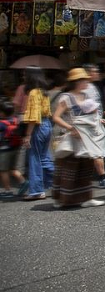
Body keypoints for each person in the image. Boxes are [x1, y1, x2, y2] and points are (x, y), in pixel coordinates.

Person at [50, 68, 105, 208]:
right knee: (68, 169)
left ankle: (87, 198)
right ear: (77, 82)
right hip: (72, 137)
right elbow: (56, 117)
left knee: (86, 168)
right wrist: (70, 128)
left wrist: (98, 120)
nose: (87, 82)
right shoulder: (66, 97)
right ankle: (61, 200)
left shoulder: (86, 96)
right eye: (84, 80)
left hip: (86, 137)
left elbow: (91, 115)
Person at [22, 67, 54, 201]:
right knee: (44, 157)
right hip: (47, 125)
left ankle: (37, 191)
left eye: (25, 74)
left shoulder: (33, 93)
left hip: (38, 126)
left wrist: (28, 135)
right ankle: (59, 182)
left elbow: (34, 116)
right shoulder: (44, 92)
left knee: (34, 158)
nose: (23, 76)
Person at [0, 101, 27, 199]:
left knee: (3, 170)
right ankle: (24, 182)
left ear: (2, 113)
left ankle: (8, 191)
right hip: (15, 148)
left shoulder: (2, 124)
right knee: (13, 168)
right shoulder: (16, 120)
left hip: (4, 150)